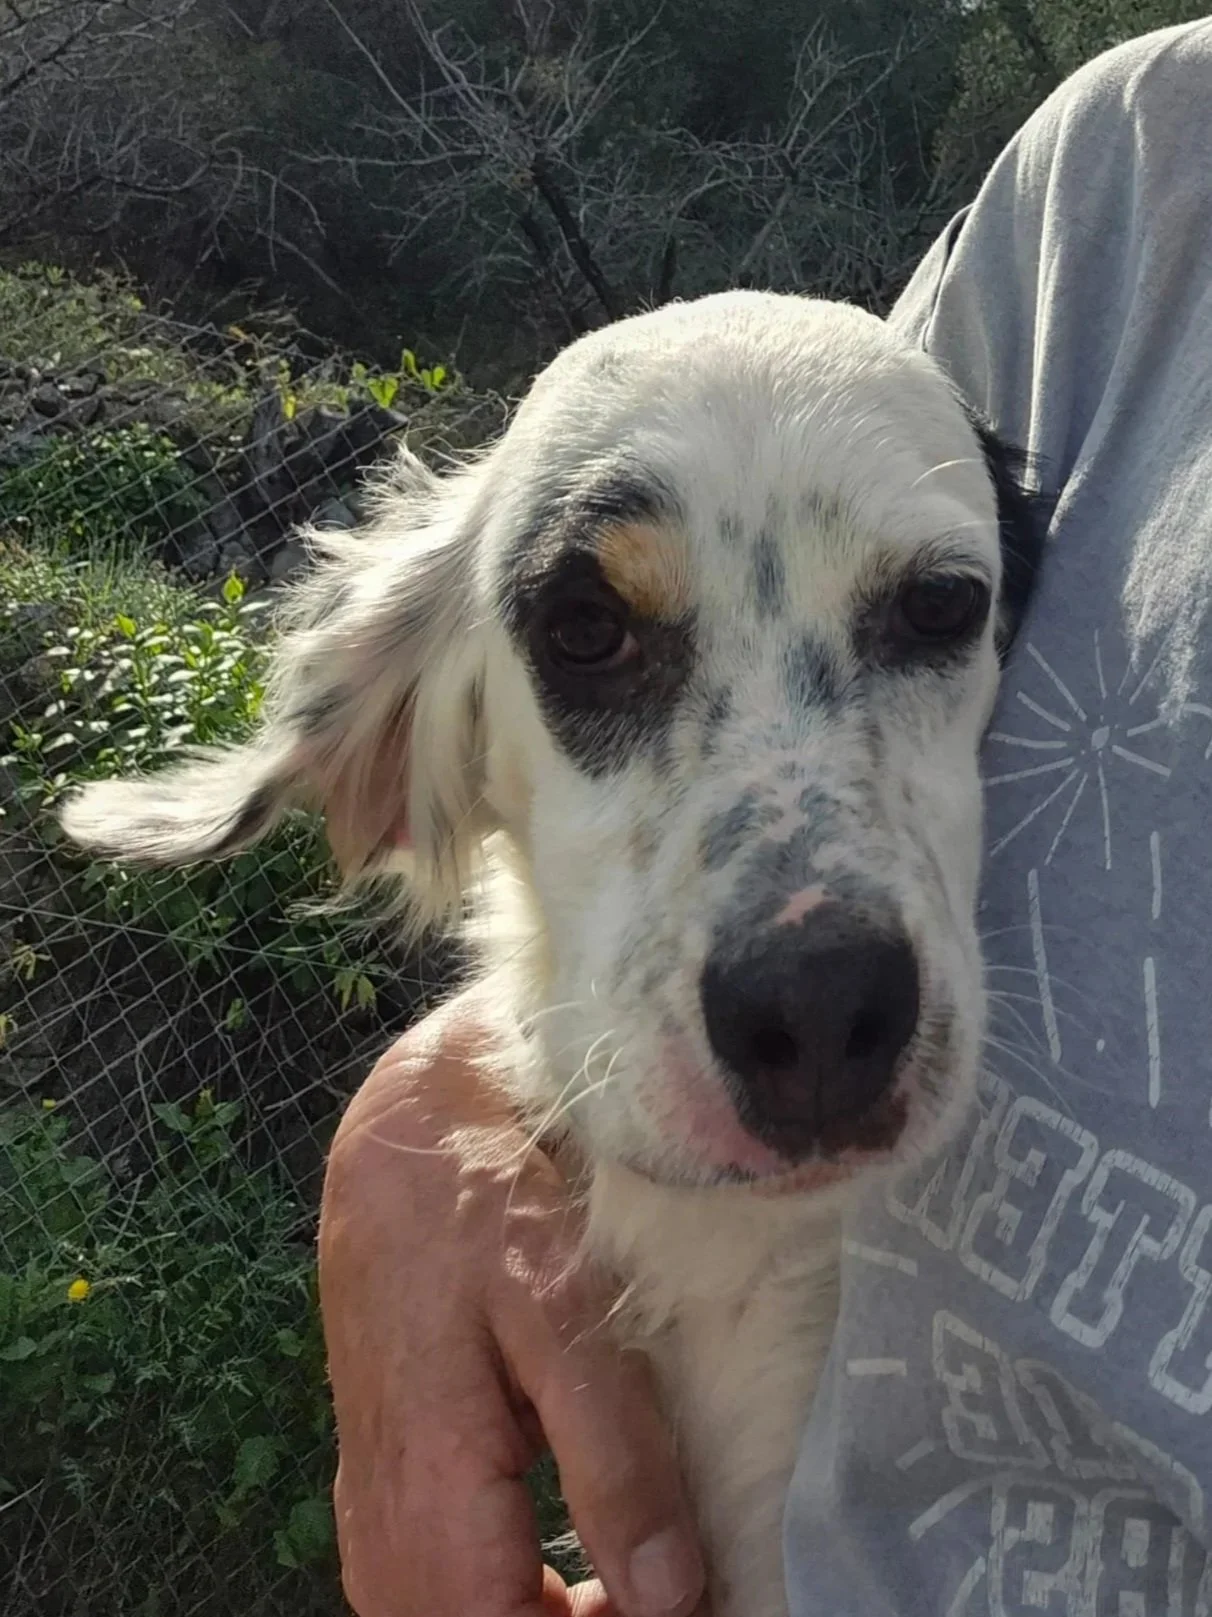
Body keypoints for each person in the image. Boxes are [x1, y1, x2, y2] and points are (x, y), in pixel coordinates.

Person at [318, 19, 1212, 1616]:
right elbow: (761, 479)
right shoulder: (1122, 181)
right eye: (598, 637)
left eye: (930, 615)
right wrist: (416, 1139)